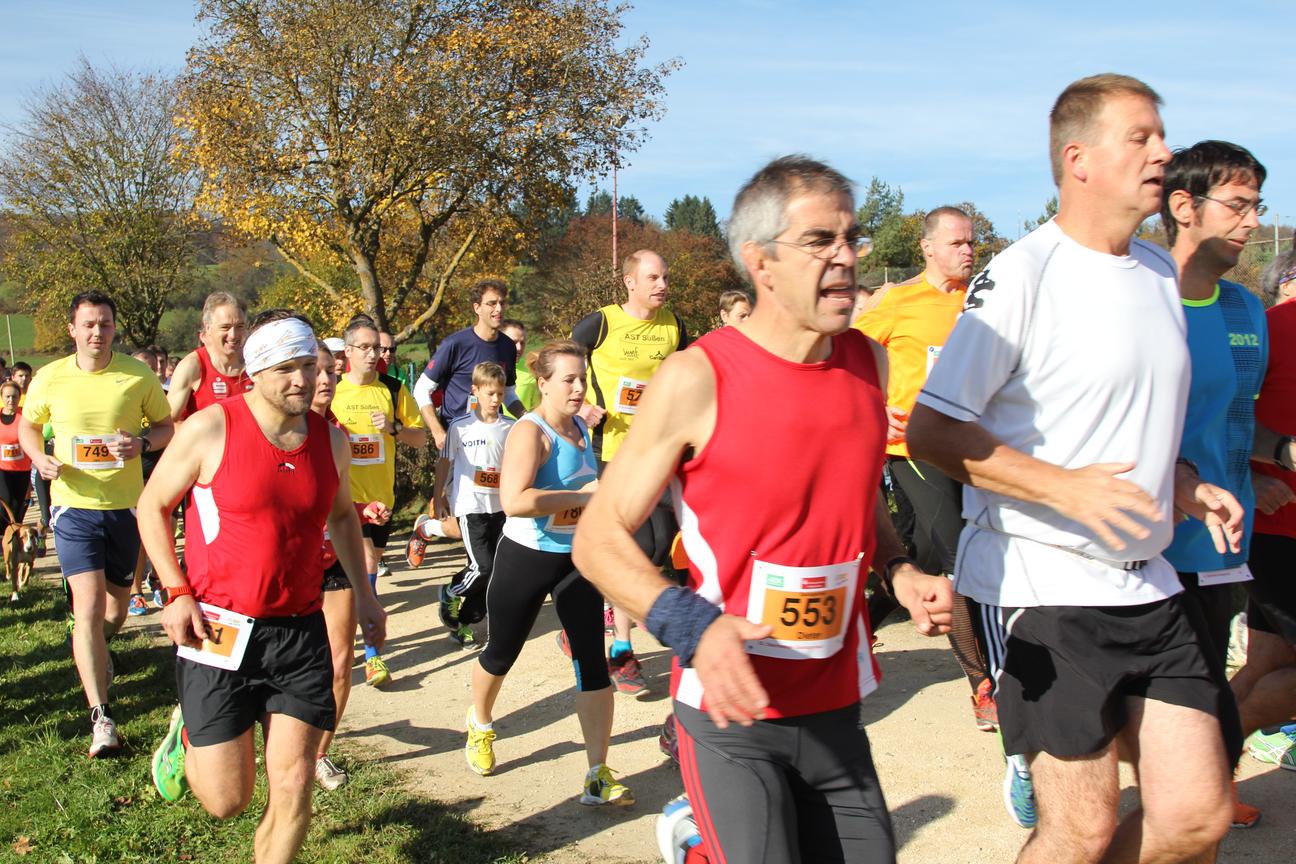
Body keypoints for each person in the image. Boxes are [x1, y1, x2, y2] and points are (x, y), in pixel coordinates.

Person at [573, 156, 953, 864]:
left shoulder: (869, 365)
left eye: (852, 238)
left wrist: (898, 568)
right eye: (819, 241)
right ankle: (700, 841)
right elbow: (596, 538)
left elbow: (854, 493)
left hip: (835, 706)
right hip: (729, 712)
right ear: (761, 262)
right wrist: (694, 627)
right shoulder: (698, 377)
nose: (845, 257)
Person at [907, 75, 1243, 861]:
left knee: (1197, 814)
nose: (1164, 153)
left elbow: (1137, 421)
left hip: (1149, 580)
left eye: (1162, 136)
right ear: (1078, 158)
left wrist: (1185, 484)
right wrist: (1065, 488)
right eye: (1141, 137)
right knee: (1080, 830)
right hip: (1041, 585)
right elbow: (931, 430)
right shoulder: (1022, 275)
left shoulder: (1158, 273)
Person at [142, 310, 385, 864]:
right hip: (217, 628)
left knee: (295, 780)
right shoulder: (211, 427)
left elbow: (341, 516)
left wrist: (367, 596)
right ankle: (187, 735)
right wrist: (176, 592)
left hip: (299, 631)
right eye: (286, 369)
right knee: (227, 800)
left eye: (309, 366)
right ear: (254, 372)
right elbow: (152, 505)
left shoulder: (331, 442)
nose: (303, 380)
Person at [465, 339, 633, 807]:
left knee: (592, 664)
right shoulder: (530, 432)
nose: (580, 388)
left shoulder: (580, 424)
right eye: (569, 380)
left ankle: (597, 773)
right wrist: (583, 497)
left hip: (576, 560)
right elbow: (514, 501)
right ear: (542, 384)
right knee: (501, 653)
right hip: (526, 558)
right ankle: (480, 723)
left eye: (583, 379)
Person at [853, 206, 996, 731]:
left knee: (923, 556)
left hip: (971, 448)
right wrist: (874, 403)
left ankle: (861, 625)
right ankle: (984, 684)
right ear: (928, 248)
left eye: (972, 242)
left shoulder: (980, 302)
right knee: (959, 558)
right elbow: (849, 355)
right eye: (957, 243)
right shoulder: (897, 302)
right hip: (912, 449)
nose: (968, 251)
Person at [19, 290, 174, 757]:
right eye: (88, 324)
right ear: (72, 329)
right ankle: (101, 718)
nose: (97, 332)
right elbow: (28, 426)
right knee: (86, 607)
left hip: (125, 508)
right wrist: (38, 457)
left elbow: (166, 427)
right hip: (73, 507)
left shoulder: (137, 375)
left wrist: (142, 444)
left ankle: (95, 649)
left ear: (114, 328)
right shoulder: (50, 377)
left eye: (105, 324)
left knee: (114, 612)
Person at [570, 249, 691, 696]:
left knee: (659, 545)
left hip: (660, 450)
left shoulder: (674, 326)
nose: (663, 285)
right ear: (630, 282)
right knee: (635, 546)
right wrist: (581, 405)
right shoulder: (600, 324)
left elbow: (691, 375)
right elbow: (558, 364)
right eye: (653, 277)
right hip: (612, 451)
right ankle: (620, 651)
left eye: (666, 277)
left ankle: (585, 615)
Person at [1232, 245, 1296, 803]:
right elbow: (1215, 414)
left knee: (1267, 666)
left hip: (1280, 531)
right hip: (1276, 528)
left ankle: (1195, 775)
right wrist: (1252, 475)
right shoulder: (1268, 328)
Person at [331, 316, 426, 686]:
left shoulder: (392, 387)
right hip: (343, 499)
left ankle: (347, 640)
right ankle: (372, 656)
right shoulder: (332, 391)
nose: (373, 355)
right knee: (364, 563)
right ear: (348, 351)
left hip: (381, 499)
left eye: (377, 348)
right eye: (365, 348)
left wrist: (393, 428)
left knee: (362, 572)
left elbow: (419, 438)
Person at [409, 280, 522, 550]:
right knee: (465, 522)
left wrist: (529, 419)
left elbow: (508, 393)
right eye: (492, 303)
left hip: (492, 441)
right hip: (458, 442)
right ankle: (428, 527)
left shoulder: (507, 346)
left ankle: (470, 570)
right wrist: (438, 431)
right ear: (477, 308)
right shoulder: (455, 344)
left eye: (502, 303)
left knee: (490, 518)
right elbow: (421, 388)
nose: (499, 309)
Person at [429, 361, 515, 649]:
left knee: (494, 572)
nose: (495, 400)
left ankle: (464, 625)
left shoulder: (510, 427)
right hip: (470, 506)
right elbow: (444, 462)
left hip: (501, 508)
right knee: (483, 566)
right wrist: (439, 496)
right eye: (490, 393)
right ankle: (451, 592)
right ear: (475, 391)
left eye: (500, 394)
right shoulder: (460, 426)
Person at [307, 338, 357, 790]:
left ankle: (319, 754)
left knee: (340, 663)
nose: (325, 380)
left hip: (334, 558)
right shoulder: (280, 429)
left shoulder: (337, 432)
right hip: (290, 561)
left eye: (331, 371)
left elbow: (339, 503)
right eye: (316, 370)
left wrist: (362, 510)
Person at [167, 292, 251, 422]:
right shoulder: (192, 366)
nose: (233, 335)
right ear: (208, 328)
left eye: (239, 327)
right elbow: (168, 422)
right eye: (225, 327)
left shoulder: (255, 364)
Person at [0, 381, 32, 545]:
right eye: (7, 396)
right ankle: (2, 538)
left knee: (18, 507)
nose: (11, 400)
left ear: (20, 397)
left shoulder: (25, 417)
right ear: (2, 398)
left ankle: (14, 541)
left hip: (22, 468)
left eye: (14, 396)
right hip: (2, 468)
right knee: (6, 501)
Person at [501, 319, 539, 412]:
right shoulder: (487, 367)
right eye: (514, 342)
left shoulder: (532, 369)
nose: (519, 348)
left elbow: (537, 409)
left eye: (522, 343)